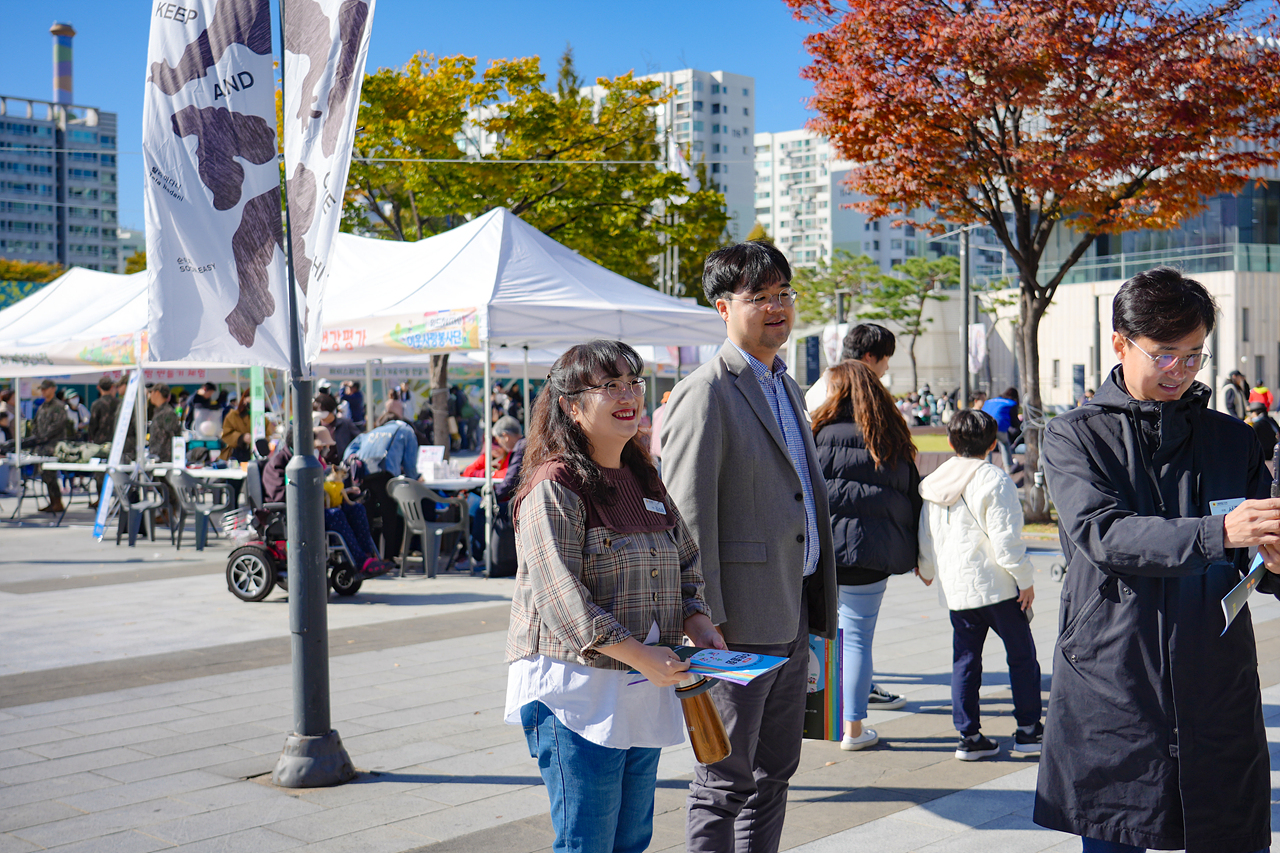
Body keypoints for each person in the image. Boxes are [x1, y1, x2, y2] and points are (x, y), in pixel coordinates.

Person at [1033, 266, 1280, 853]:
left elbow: (1258, 555)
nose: (1181, 370)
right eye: (1165, 354)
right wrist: (1218, 531)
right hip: (1114, 678)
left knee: (1226, 829)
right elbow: (1104, 532)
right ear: (1120, 342)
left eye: (1195, 355)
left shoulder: (1231, 438)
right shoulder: (1075, 436)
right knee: (1118, 830)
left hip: (1215, 676)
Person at [504, 339, 722, 853]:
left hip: (644, 681)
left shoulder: (643, 475)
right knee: (588, 840)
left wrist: (700, 622)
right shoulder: (553, 483)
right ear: (571, 404)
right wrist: (642, 656)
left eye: (633, 383)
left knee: (631, 838)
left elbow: (684, 560)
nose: (628, 395)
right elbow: (562, 600)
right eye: (610, 386)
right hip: (577, 688)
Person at [661, 241, 838, 853]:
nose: (776, 308)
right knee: (723, 779)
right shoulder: (705, 391)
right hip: (735, 625)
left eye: (783, 294)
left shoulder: (787, 386)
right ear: (722, 307)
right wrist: (701, 614)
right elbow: (686, 517)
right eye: (758, 297)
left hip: (792, 614)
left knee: (775, 774)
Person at [916, 408, 1041, 760]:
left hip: (958, 589)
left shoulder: (935, 481)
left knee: (966, 660)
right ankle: (1029, 730)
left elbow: (927, 536)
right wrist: (1025, 580)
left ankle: (969, 736)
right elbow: (1007, 541)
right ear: (991, 443)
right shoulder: (994, 478)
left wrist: (927, 569)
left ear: (951, 441)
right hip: (998, 587)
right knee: (1022, 658)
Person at [812, 360, 921, 751]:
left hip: (822, 555)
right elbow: (913, 498)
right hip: (873, 555)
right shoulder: (891, 436)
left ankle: (814, 716)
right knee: (857, 638)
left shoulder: (817, 434)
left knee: (823, 637)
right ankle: (852, 730)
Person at [343, 413, 419, 560]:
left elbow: (348, 452)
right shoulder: (405, 430)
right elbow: (410, 462)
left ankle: (366, 556)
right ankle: (388, 558)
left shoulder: (371, 432)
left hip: (364, 474)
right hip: (385, 473)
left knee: (367, 518)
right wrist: (413, 478)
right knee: (389, 517)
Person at [804, 322, 896, 412]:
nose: (887, 367)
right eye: (887, 359)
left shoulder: (822, 386)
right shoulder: (855, 392)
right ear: (870, 356)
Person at [30, 379, 70, 513]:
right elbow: (35, 424)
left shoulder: (58, 406)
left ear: (53, 389)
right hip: (41, 447)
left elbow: (58, 426)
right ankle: (53, 501)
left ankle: (57, 502)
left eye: (45, 389)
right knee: (45, 476)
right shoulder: (42, 406)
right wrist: (35, 437)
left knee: (51, 475)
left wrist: (43, 437)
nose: (43, 391)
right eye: (42, 389)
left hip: (53, 446)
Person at [981, 387, 1020, 471]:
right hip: (999, 426)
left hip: (984, 426)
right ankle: (1008, 466)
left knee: (988, 446)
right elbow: (1015, 423)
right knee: (1005, 443)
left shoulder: (989, 401)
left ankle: (987, 468)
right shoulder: (1011, 403)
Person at [315, 392, 360, 462]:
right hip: (322, 466)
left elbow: (359, 439)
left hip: (342, 465)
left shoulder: (345, 424)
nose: (322, 418)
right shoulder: (316, 426)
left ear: (331, 411)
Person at [221, 390, 253, 463]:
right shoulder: (232, 415)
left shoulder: (259, 415)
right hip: (237, 452)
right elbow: (226, 434)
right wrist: (242, 437)